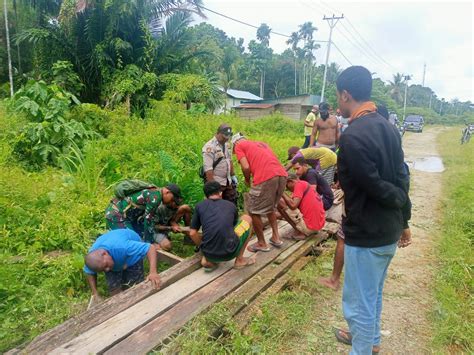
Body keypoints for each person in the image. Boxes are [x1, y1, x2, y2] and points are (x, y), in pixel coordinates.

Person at [333, 65, 412, 354]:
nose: (338, 103)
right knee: (373, 293)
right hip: (387, 232)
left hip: (367, 235)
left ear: (345, 95)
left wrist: (399, 201)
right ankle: (373, 340)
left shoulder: (353, 136)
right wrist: (404, 218)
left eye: (337, 97)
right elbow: (402, 177)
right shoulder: (389, 128)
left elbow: (375, 186)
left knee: (358, 305)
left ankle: (362, 348)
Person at [232, 133, 288, 251]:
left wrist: (247, 179)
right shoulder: (261, 144)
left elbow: (245, 167)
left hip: (266, 177)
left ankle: (261, 243)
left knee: (253, 210)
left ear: (235, 143)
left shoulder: (239, 145)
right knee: (271, 207)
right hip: (282, 175)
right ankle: (276, 237)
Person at [189, 181, 255, 271]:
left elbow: (192, 233)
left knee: (206, 261)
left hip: (209, 254)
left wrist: (203, 248)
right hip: (230, 251)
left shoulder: (199, 206)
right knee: (247, 218)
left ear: (205, 196)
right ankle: (239, 260)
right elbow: (232, 227)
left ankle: (208, 260)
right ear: (220, 193)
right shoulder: (230, 205)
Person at [105, 183, 189, 251]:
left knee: (134, 238)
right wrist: (150, 243)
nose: (171, 202)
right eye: (172, 199)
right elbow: (148, 221)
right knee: (130, 240)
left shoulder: (155, 191)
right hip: (116, 215)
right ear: (167, 192)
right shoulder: (155, 198)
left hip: (125, 217)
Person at [83, 229, 161, 302]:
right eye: (103, 270)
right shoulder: (93, 259)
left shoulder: (123, 247)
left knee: (135, 288)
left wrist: (153, 272)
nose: (107, 270)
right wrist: (95, 293)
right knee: (115, 293)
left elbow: (150, 248)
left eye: (106, 265)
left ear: (104, 253)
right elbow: (89, 272)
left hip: (132, 257)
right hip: (115, 251)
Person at [278, 173, 325, 239]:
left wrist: (281, 192)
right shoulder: (305, 184)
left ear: (291, 181)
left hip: (309, 228)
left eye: (286, 186)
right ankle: (303, 229)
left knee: (280, 202)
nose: (287, 189)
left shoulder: (299, 185)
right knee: (286, 202)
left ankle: (299, 232)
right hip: (319, 226)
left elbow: (293, 206)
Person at [202, 124, 238, 205]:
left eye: (228, 136)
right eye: (224, 136)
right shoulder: (210, 147)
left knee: (231, 204)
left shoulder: (227, 145)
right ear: (218, 133)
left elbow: (230, 161)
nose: (226, 139)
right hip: (217, 182)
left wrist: (232, 175)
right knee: (216, 207)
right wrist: (214, 189)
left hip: (228, 181)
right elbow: (208, 170)